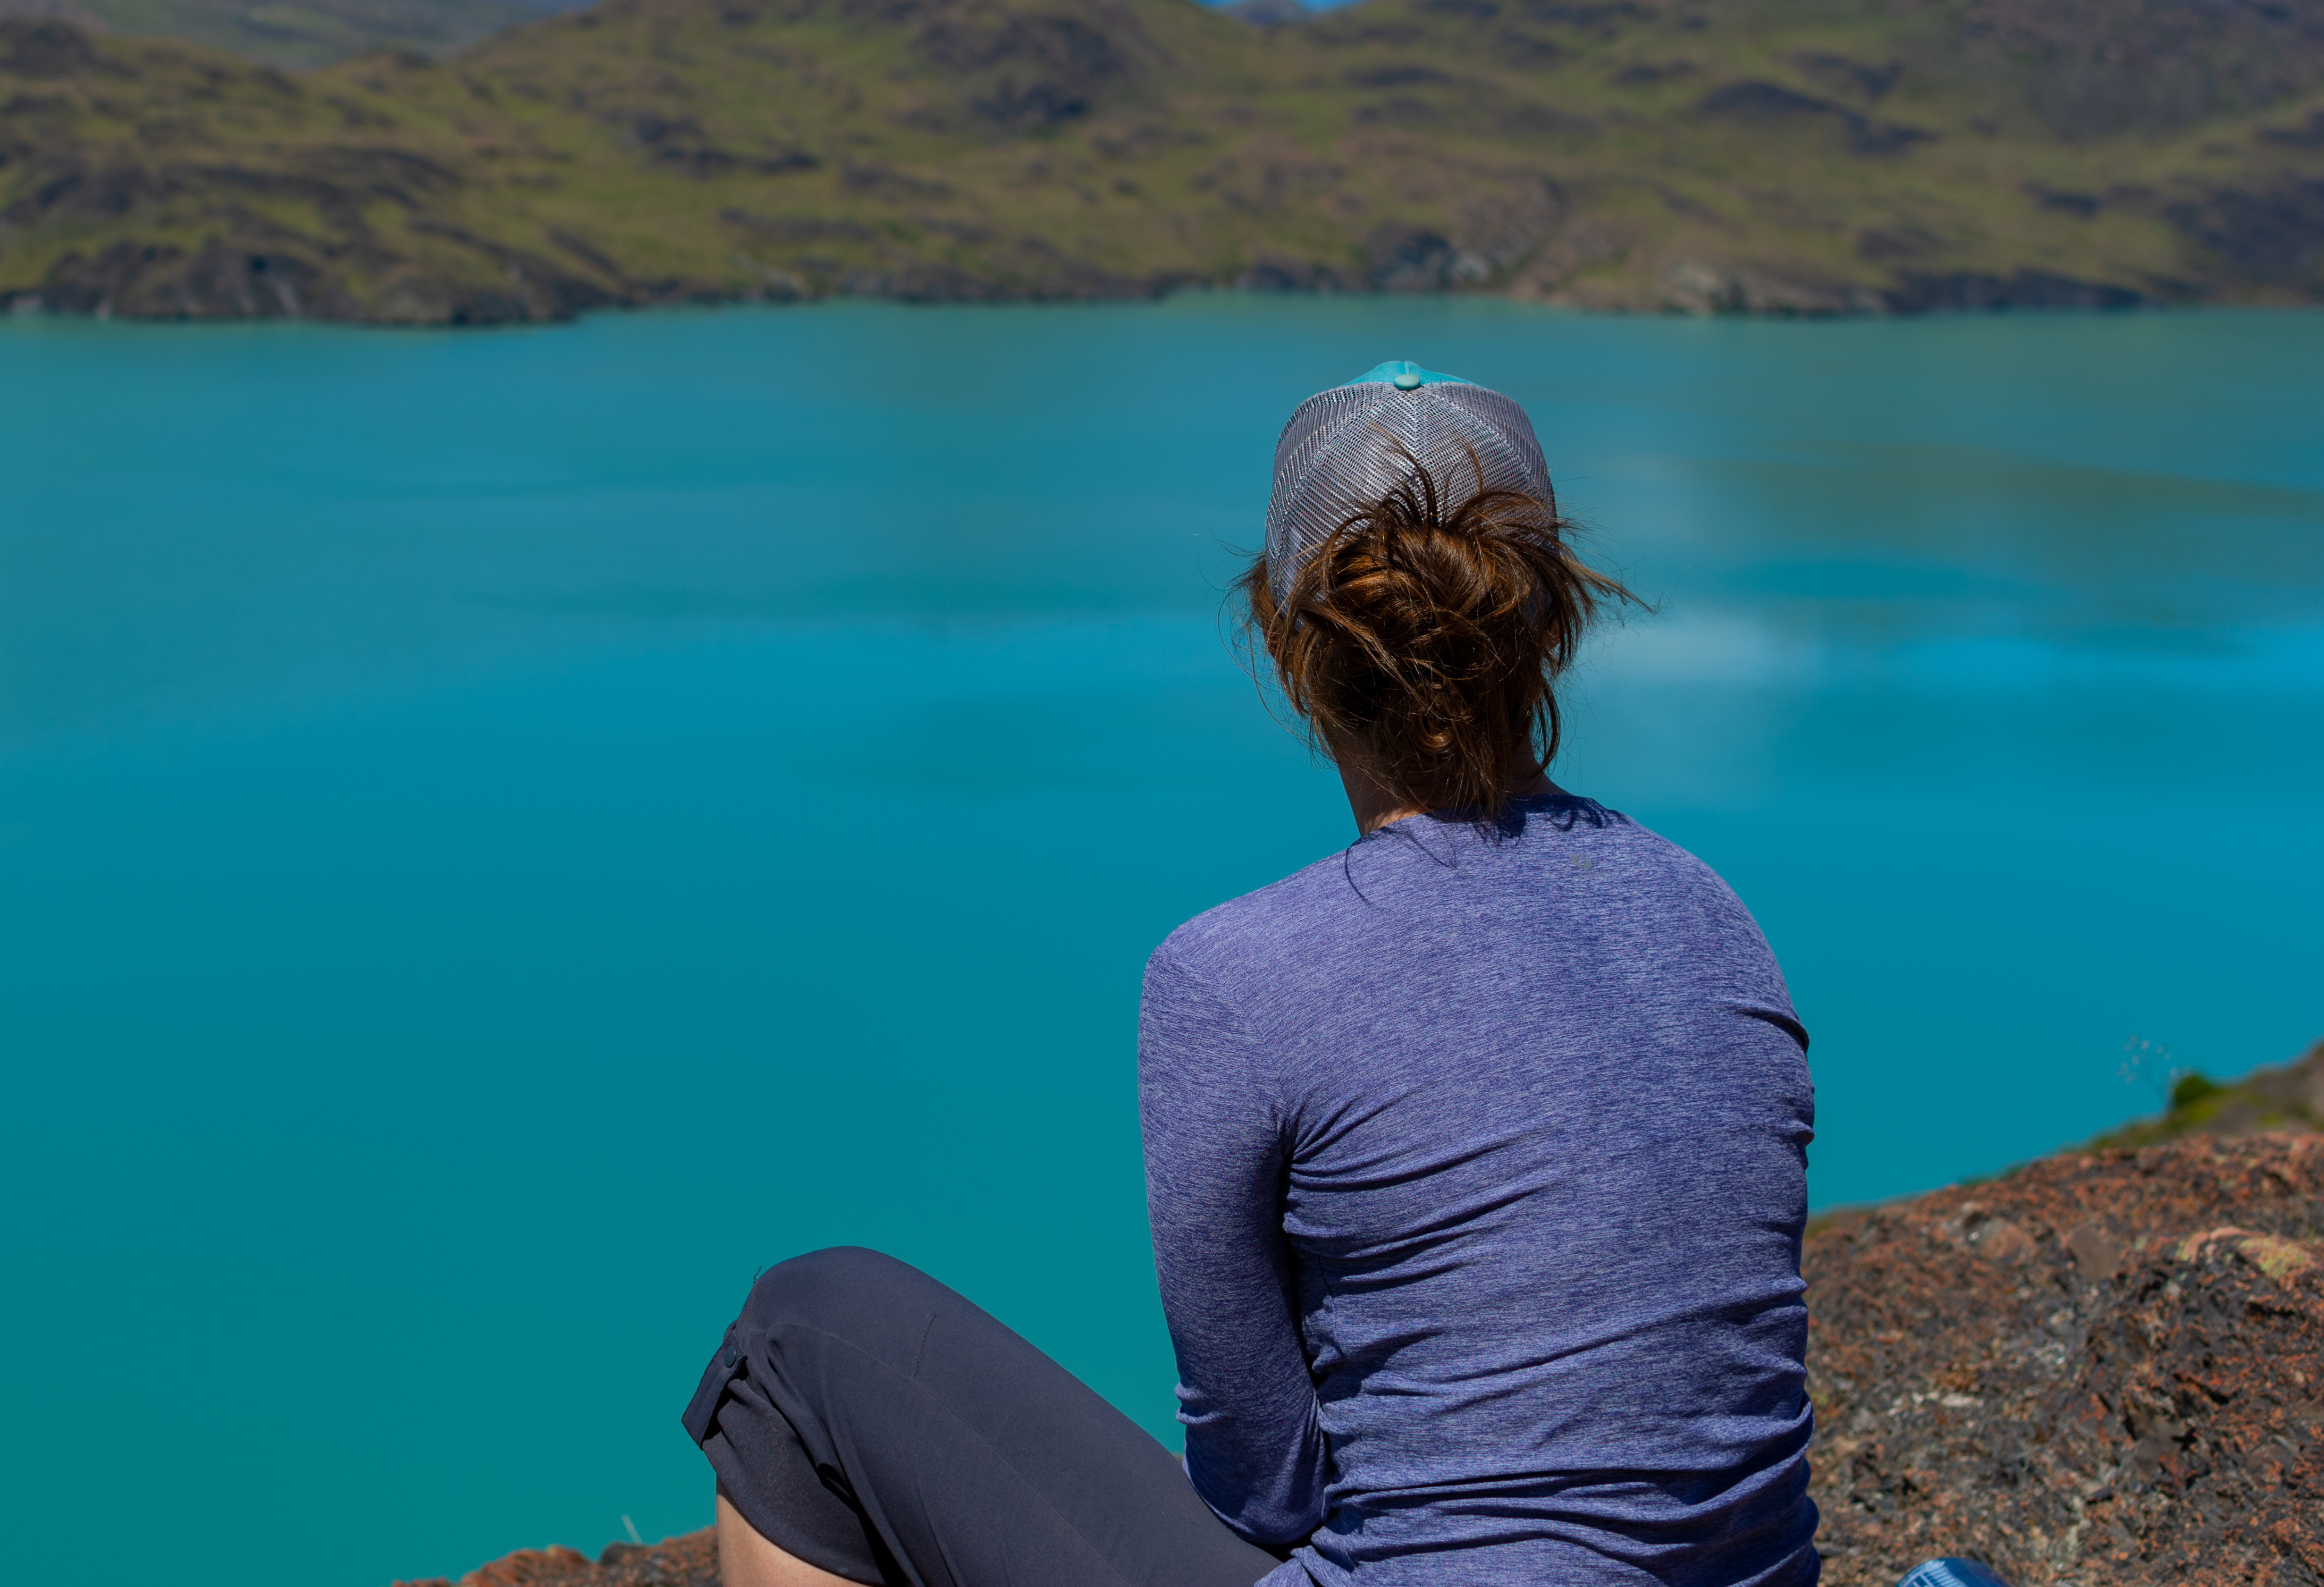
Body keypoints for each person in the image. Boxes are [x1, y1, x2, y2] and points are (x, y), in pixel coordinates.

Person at [681, 362, 1999, 1587]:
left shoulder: (1230, 976)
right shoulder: (1711, 910)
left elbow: (1261, 1479)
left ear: (1288, 640)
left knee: (805, 1328)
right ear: (1553, 623)